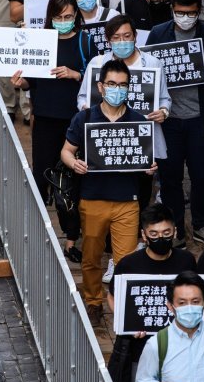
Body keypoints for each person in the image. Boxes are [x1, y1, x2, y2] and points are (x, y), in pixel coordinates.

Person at [60, 59, 157, 325]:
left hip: (128, 201)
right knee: (91, 258)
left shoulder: (138, 121)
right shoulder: (85, 117)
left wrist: (150, 168)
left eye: (123, 85)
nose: (117, 89)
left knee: (125, 262)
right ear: (101, 87)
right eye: (112, 84)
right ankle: (93, 302)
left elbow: (148, 160)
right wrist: (74, 162)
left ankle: (121, 306)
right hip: (92, 200)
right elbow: (66, 151)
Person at [11, 0, 95, 262]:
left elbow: (97, 78)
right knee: (42, 176)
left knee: (72, 182)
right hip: (45, 119)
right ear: (50, 18)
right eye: (58, 17)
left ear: (76, 16)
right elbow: (30, 82)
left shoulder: (85, 41)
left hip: (75, 120)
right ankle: (38, 234)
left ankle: (71, 239)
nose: (63, 21)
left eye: (68, 17)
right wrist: (20, 82)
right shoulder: (40, 42)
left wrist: (75, 74)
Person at [146, 0, 204, 247]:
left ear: (199, 11)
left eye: (191, 13)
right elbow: (147, 75)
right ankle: (176, 231)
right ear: (172, 10)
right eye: (180, 12)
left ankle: (201, 226)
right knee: (170, 178)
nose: (185, 17)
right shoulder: (158, 34)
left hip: (200, 121)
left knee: (203, 176)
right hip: (167, 122)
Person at [107, 203, 197, 382]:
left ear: (175, 231)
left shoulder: (187, 260)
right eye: (154, 234)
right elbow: (112, 297)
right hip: (141, 349)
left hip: (181, 346)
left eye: (166, 232)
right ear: (144, 235)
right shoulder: (128, 264)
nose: (161, 238)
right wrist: (126, 321)